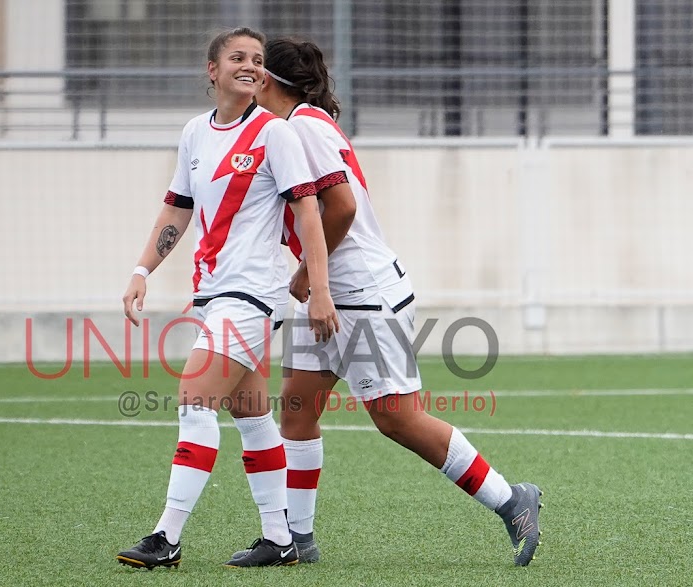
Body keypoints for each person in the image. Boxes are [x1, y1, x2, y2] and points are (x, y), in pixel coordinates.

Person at [233, 37, 542, 566]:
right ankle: (296, 541)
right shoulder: (296, 125)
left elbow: (342, 207)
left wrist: (310, 273)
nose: (250, 76)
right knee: (299, 412)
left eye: (257, 69)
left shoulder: (300, 127)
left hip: (359, 294)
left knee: (397, 418)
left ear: (269, 82)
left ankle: (512, 500)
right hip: (330, 294)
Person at [115, 27, 339, 570]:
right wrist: (143, 268)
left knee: (194, 396)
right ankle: (280, 538)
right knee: (252, 416)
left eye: (258, 60)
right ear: (211, 70)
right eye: (237, 57)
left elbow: (309, 211)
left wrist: (319, 290)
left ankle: (166, 537)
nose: (250, 66)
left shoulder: (274, 133)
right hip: (213, 295)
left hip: (253, 295)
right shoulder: (195, 132)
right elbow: (176, 209)